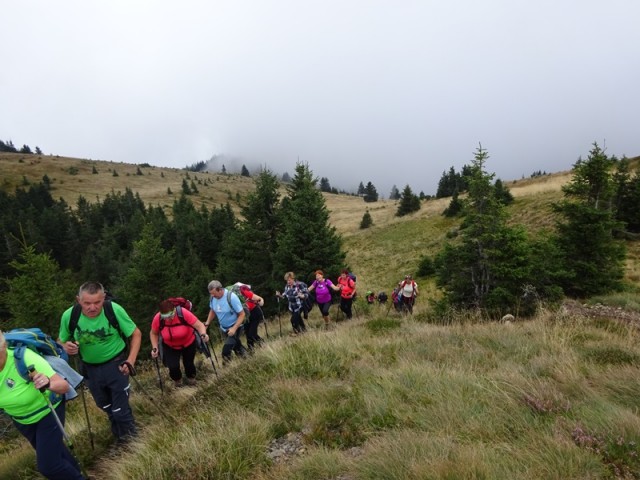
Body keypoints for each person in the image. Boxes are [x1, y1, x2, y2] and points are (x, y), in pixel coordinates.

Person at [58, 281, 141, 443]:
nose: (92, 307)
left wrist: (130, 361)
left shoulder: (113, 310)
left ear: (103, 298)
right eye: (87, 303)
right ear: (78, 300)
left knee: (119, 410)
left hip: (117, 364)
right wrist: (65, 347)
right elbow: (61, 341)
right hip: (89, 369)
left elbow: (136, 333)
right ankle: (121, 435)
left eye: (97, 302)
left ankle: (132, 444)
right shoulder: (70, 315)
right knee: (105, 405)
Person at [0, 330, 86, 480]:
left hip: (48, 410)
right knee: (56, 454)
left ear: (3, 346)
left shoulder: (24, 358)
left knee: (49, 466)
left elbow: (63, 386)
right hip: (22, 420)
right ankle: (76, 474)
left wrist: (48, 383)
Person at [150, 299, 209, 387]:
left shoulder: (183, 313)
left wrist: (203, 334)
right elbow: (153, 333)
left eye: (170, 316)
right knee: (173, 367)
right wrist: (155, 348)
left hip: (188, 342)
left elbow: (199, 325)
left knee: (189, 364)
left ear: (174, 311)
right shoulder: (158, 318)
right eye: (165, 317)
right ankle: (178, 382)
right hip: (170, 345)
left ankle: (191, 380)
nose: (168, 319)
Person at [205, 280, 248, 364]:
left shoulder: (231, 297)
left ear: (220, 289)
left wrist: (234, 328)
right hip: (224, 328)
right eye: (211, 294)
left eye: (214, 293)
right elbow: (213, 310)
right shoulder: (212, 298)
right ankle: (247, 360)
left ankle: (226, 369)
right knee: (237, 346)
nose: (212, 296)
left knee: (226, 351)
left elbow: (242, 314)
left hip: (235, 326)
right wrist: (207, 323)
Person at [234, 283, 266, 352]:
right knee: (248, 333)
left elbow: (259, 299)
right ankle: (251, 349)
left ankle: (262, 344)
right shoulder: (234, 297)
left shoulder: (245, 292)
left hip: (254, 313)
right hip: (245, 315)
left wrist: (259, 301)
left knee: (252, 333)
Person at [276, 272, 309, 336]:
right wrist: (279, 295)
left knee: (293, 320)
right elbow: (284, 296)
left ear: (293, 278)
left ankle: (296, 332)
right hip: (292, 306)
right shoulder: (287, 287)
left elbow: (306, 294)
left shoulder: (299, 285)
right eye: (287, 280)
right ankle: (304, 330)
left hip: (300, 305)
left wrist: (302, 296)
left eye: (289, 280)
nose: (288, 282)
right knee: (298, 318)